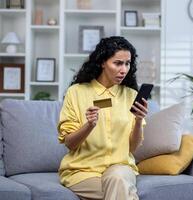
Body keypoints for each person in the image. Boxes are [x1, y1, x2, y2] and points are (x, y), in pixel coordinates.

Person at [57, 36, 148, 200]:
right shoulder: (76, 92)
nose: (124, 69)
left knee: (118, 178)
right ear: (102, 62)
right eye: (118, 63)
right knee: (121, 189)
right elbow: (70, 143)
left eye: (127, 63)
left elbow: (133, 148)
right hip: (83, 172)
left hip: (120, 167)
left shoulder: (131, 95)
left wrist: (139, 120)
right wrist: (89, 125)